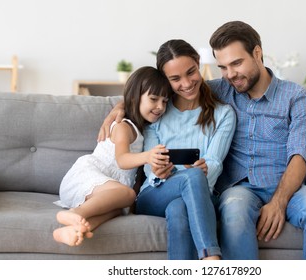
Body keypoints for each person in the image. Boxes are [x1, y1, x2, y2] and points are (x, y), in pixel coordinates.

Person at [206, 21, 306, 259]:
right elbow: (167, 91)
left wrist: (279, 202)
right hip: (240, 188)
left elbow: (300, 154)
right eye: (223, 67)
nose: (230, 75)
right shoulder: (220, 90)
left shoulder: (297, 97)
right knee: (234, 211)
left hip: (290, 186)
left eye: (236, 63)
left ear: (257, 53)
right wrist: (122, 106)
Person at [99, 39, 236, 260]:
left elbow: (215, 162)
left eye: (191, 72)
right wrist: (158, 171)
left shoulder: (223, 114)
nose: (187, 83)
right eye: (175, 78)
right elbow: (150, 164)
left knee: (178, 209)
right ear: (166, 80)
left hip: (201, 193)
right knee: (190, 177)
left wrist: (205, 169)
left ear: (199, 63)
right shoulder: (158, 111)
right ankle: (211, 259)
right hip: (154, 195)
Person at [53, 66, 173, 247]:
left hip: (104, 193)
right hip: (85, 179)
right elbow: (122, 160)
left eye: (165, 101)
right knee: (126, 194)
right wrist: (148, 156)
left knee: (118, 210)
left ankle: (75, 229)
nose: (160, 107)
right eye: (154, 99)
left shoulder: (142, 130)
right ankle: (77, 213)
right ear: (134, 98)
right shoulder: (124, 126)